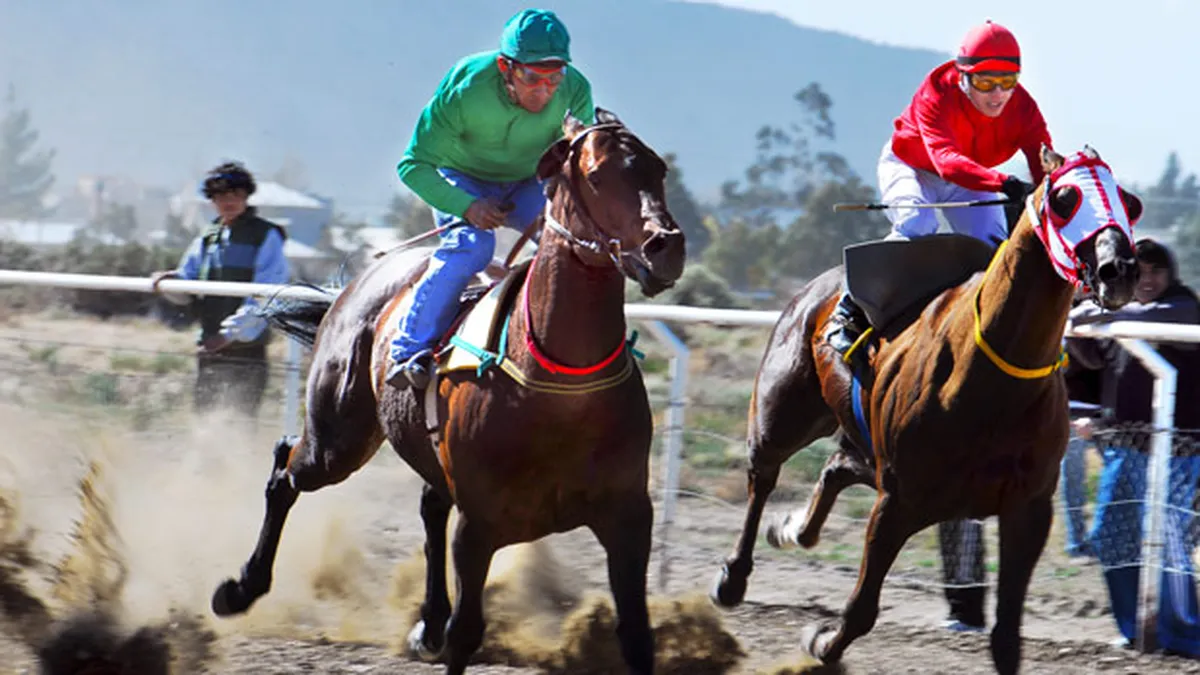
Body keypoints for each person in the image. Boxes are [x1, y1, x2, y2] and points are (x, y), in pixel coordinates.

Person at [385, 8, 596, 390]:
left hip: (529, 181)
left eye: (554, 78)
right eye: (532, 78)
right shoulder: (466, 87)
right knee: (471, 247)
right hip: (462, 178)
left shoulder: (576, 90)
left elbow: (580, 162)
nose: (545, 91)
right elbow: (413, 165)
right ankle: (407, 351)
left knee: (569, 241)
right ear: (505, 67)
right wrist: (467, 206)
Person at [823, 19, 1053, 356]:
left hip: (970, 177)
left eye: (1007, 81)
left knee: (993, 246)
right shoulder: (936, 92)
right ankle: (847, 310)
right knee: (918, 223)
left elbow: (1045, 165)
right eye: (985, 82)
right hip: (913, 166)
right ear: (962, 77)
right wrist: (1004, 183)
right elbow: (945, 160)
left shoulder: (1025, 108)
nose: (998, 94)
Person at [1067, 238, 1200, 655]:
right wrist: (1079, 310)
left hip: (1178, 453)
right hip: (1123, 448)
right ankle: (1135, 632)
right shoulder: (1120, 318)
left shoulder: (1183, 305)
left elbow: (1155, 318)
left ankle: (1185, 637)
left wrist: (1101, 309)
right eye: (1139, 272)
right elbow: (1085, 350)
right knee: (1111, 538)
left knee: (1169, 545)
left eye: (1157, 270)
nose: (1148, 279)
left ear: (1170, 274)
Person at [151, 162, 290, 416]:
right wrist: (169, 281)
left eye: (236, 195)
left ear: (246, 197)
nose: (229, 202)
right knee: (204, 416)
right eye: (222, 196)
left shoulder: (265, 235)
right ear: (212, 200)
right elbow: (188, 276)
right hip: (210, 343)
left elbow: (266, 292)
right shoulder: (209, 236)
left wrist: (229, 335)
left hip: (246, 348)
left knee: (240, 417)